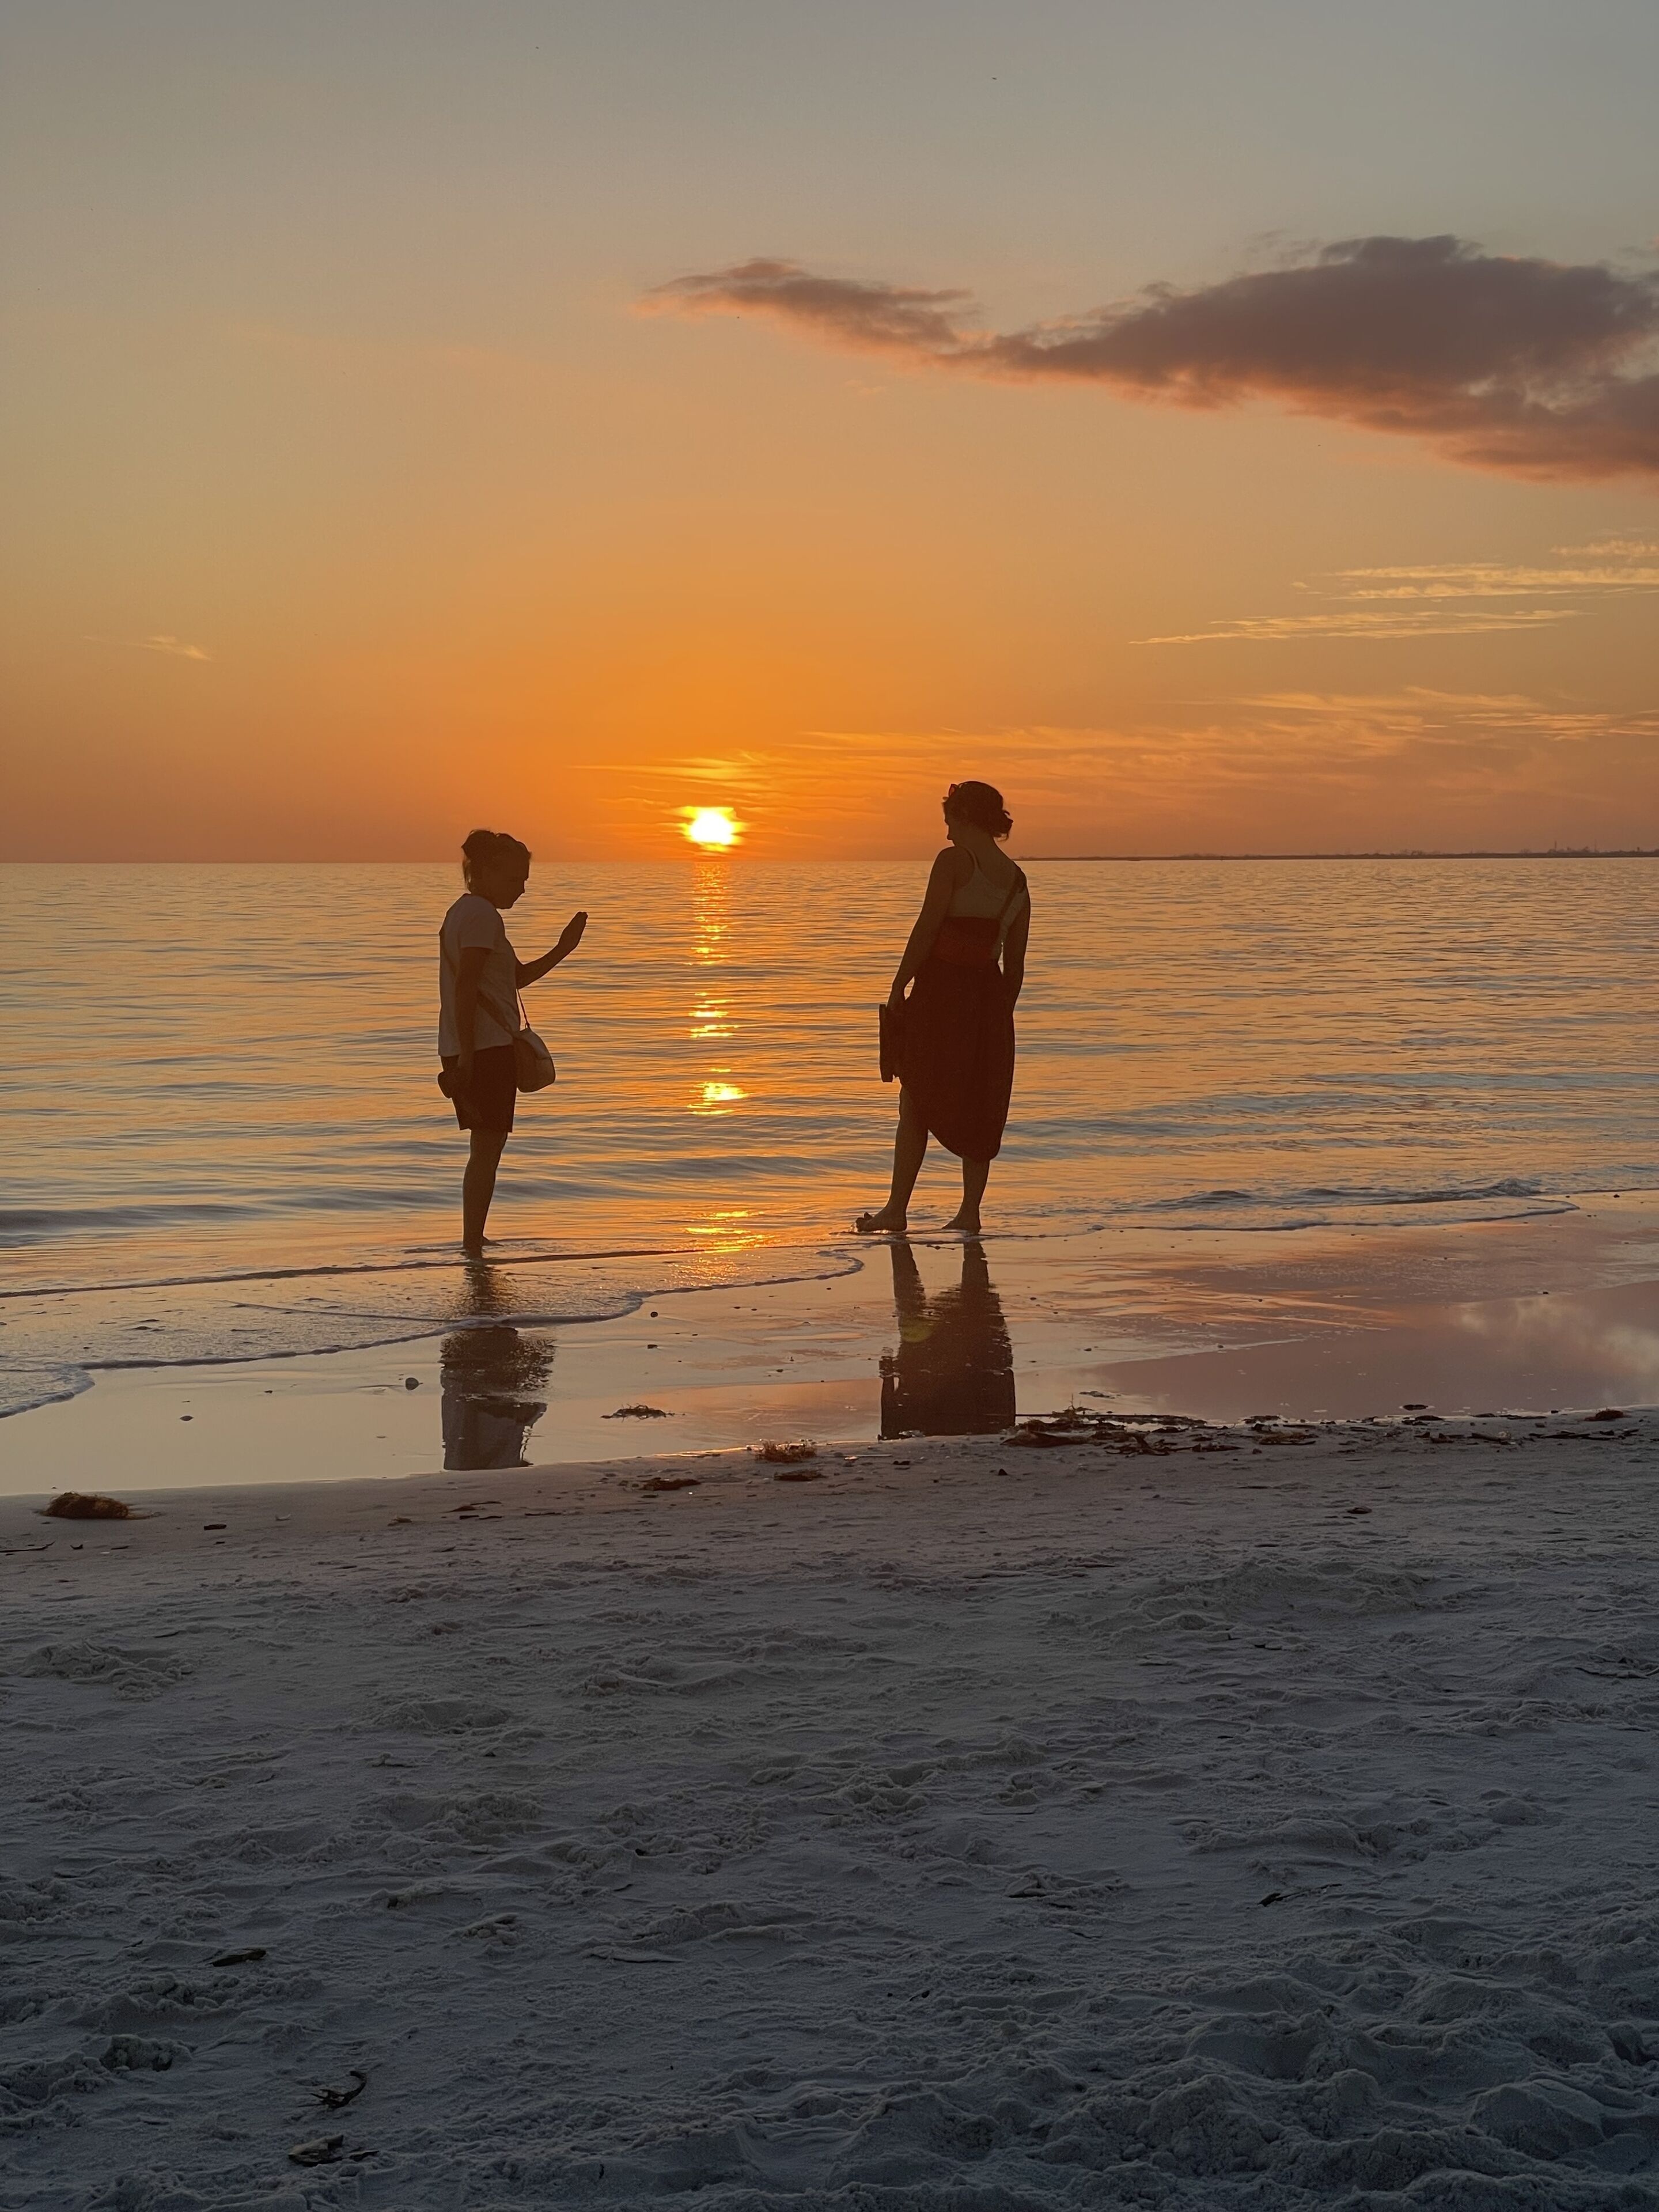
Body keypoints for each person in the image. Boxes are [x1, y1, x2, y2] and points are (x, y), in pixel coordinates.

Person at [857, 781, 1029, 1235]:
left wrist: (899, 984)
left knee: (914, 1097)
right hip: (988, 999)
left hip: (941, 993)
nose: (948, 830)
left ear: (966, 817)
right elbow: (1015, 964)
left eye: (950, 818)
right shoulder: (1016, 880)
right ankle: (969, 1212)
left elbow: (927, 928)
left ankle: (897, 1210)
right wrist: (998, 1016)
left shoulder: (953, 862)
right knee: (981, 1101)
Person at [438, 828, 586, 1255]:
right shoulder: (483, 916)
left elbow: (513, 979)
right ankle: (472, 1245)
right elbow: (466, 987)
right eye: (515, 878)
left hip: (468, 1045)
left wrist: (563, 949)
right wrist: (468, 1057)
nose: (523, 888)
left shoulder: (462, 913)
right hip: (482, 1048)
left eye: (524, 879)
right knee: (487, 1149)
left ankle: (473, 1241)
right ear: (483, 873)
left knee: (484, 1147)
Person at [880, 1238, 1015, 1438]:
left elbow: (1006, 1390)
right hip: (968, 1349)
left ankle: (899, 1243)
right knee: (975, 1299)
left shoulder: (988, 1424)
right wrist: (888, 1376)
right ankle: (900, 1244)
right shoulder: (986, 1423)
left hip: (949, 1352)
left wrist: (889, 1377)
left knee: (973, 1300)